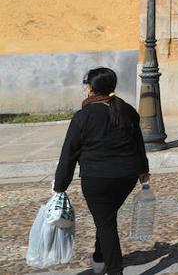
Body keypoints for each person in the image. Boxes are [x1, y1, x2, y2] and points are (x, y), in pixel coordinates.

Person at [54, 67, 150, 275]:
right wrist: (143, 170)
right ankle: (99, 256)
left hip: (97, 178)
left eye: (86, 84)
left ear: (91, 88)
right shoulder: (127, 110)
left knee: (106, 224)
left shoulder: (83, 116)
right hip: (126, 177)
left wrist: (60, 185)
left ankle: (114, 269)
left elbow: (69, 153)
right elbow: (138, 144)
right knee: (106, 218)